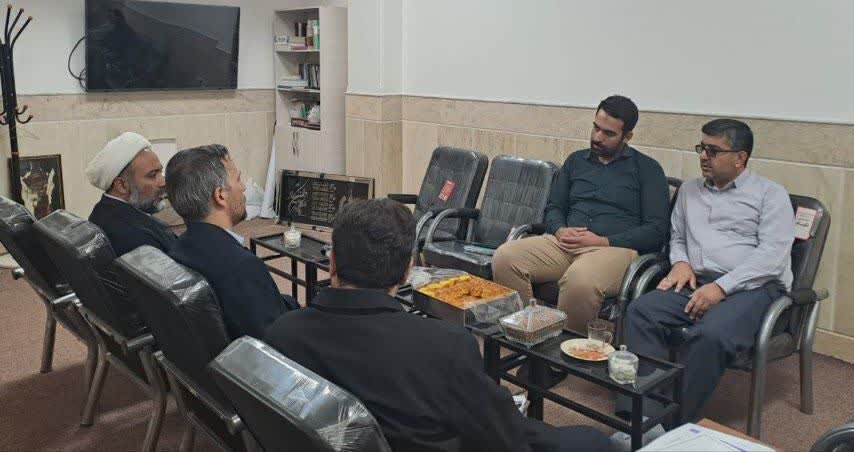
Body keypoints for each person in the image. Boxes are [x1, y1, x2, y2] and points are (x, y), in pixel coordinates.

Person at [264, 198, 614, 452]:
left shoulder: (281, 335)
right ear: (407, 271)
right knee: (593, 441)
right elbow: (507, 440)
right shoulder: (446, 347)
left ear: (332, 264)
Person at [621, 119, 794, 423]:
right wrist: (680, 262)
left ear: (740, 158)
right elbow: (677, 237)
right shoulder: (689, 190)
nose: (703, 156)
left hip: (754, 289)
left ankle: (673, 426)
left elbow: (772, 257)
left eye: (713, 151)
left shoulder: (771, 195)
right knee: (641, 311)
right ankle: (642, 416)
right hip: (698, 282)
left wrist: (723, 287)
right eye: (702, 148)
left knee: (711, 334)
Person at [492, 95, 670, 332]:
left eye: (608, 133)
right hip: (565, 243)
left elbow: (656, 230)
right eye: (596, 127)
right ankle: (527, 334)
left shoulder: (647, 169)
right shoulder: (576, 161)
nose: (597, 137)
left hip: (614, 249)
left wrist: (603, 241)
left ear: (627, 136)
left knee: (580, 281)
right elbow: (554, 208)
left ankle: (562, 351)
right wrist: (559, 230)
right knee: (505, 257)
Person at [166, 144, 298, 340]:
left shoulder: (179, 246)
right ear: (220, 195)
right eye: (238, 179)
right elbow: (275, 340)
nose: (243, 187)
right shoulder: (242, 267)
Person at [86, 132, 177, 257]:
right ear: (122, 186)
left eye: (160, 172)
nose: (163, 182)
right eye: (152, 175)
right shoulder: (138, 239)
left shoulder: (104, 209)